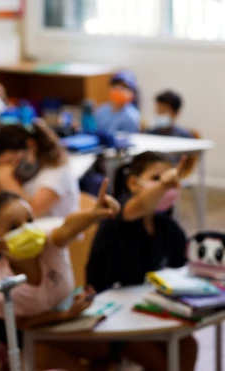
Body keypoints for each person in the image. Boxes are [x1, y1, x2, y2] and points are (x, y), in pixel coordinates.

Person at [0, 189, 120, 370]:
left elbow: (68, 227)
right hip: (28, 344)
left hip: (62, 330)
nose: (27, 230)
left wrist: (93, 215)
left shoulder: (49, 245)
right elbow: (21, 324)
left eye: (29, 221)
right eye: (14, 227)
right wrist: (65, 314)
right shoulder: (2, 288)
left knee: (113, 349)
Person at [85, 152, 197, 370]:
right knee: (165, 364)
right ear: (133, 183)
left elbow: (184, 270)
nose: (167, 187)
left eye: (172, 181)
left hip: (148, 311)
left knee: (187, 345)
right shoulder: (118, 216)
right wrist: (164, 184)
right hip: (110, 317)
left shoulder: (167, 228)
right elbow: (139, 206)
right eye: (157, 179)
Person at [0, 120, 79, 218]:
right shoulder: (24, 172)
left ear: (31, 146)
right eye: (4, 165)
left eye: (12, 161)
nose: (10, 168)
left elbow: (31, 213)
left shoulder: (57, 170)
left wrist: (8, 181)